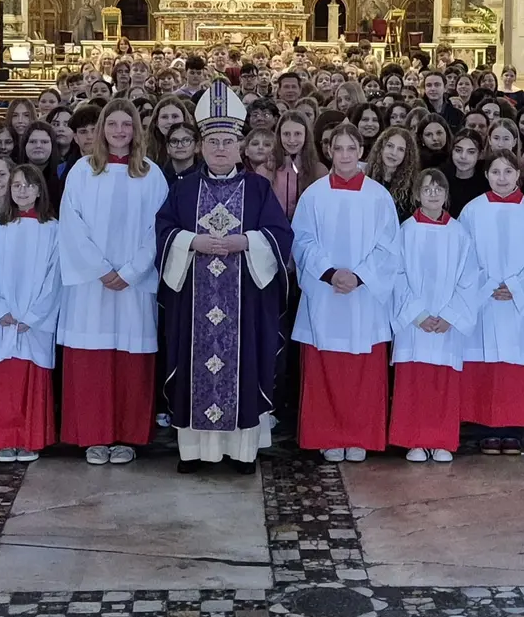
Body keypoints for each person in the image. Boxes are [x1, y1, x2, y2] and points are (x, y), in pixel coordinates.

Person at [156, 81, 292, 473]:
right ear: (200, 146)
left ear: (240, 147)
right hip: (195, 303)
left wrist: (245, 242)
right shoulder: (183, 190)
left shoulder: (258, 188)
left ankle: (241, 452)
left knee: (243, 365)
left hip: (244, 301)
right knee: (194, 363)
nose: (219, 148)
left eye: (227, 141)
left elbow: (280, 235)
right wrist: (191, 241)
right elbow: (163, 231)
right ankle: (194, 452)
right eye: (212, 140)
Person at [57, 100, 169, 465]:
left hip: (134, 284)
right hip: (92, 284)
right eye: (113, 124)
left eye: (127, 125)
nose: (120, 131)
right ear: (102, 128)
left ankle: (127, 435)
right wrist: (101, 269)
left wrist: (132, 271)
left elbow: (160, 227)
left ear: (137, 130)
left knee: (130, 361)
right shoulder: (81, 171)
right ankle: (93, 435)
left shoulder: (151, 174)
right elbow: (71, 225)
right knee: (92, 362)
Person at [292, 125, 398, 462]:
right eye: (338, 149)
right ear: (329, 152)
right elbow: (302, 239)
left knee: (363, 373)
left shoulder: (379, 196)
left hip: (364, 296)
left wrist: (360, 276)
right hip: (326, 293)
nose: (345, 155)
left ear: (361, 151)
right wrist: (330, 272)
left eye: (351, 148)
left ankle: (360, 436)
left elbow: (389, 246)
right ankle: (328, 435)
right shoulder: (314, 195)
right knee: (326, 369)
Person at [458, 150, 524, 455]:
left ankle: (513, 429)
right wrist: (487, 286)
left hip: (518, 303)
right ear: (486, 175)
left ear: (518, 175)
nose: (501, 178)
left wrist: (515, 286)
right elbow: (462, 256)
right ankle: (485, 428)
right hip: (484, 301)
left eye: (508, 172)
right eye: (495, 172)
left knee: (515, 363)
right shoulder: (472, 211)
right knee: (485, 362)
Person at [389, 168, 478, 463]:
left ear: (446, 194)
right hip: (415, 324)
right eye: (426, 189)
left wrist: (450, 315)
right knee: (414, 380)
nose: (433, 194)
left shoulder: (459, 233)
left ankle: (441, 439)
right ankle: (414, 440)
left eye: (438, 188)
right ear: (417, 194)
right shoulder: (405, 231)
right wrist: (417, 314)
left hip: (446, 324)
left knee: (443, 381)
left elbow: (469, 279)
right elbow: (396, 275)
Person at [0, 164, 62, 462]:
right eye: (16, 185)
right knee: (3, 381)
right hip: (3, 321)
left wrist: (34, 316)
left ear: (40, 190)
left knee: (30, 378)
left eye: (29, 185)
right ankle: (4, 440)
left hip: (33, 322)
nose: (22, 190)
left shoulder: (52, 229)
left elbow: (55, 277)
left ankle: (29, 439)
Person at [272, 110, 326, 220]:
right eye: (286, 134)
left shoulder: (318, 170)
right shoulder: (268, 168)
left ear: (306, 136)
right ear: (279, 136)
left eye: (298, 134)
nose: (292, 140)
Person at [365, 126, 419, 222]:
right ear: (381, 148)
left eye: (400, 149)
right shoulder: (366, 177)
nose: (394, 153)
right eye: (390, 146)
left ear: (407, 156)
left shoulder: (412, 189)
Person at [22, 122, 63, 212]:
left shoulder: (64, 173)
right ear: (25, 145)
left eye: (44, 142)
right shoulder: (14, 174)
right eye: (33, 141)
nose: (38, 146)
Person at [447, 129, 488, 217]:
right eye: (458, 150)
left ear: (480, 154)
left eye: (471, 152)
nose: (463, 157)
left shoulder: (486, 185)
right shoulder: (443, 180)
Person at [147, 96, 193, 168]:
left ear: (184, 119)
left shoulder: (196, 148)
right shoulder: (144, 149)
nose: (170, 121)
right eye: (164, 117)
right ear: (156, 122)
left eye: (175, 116)